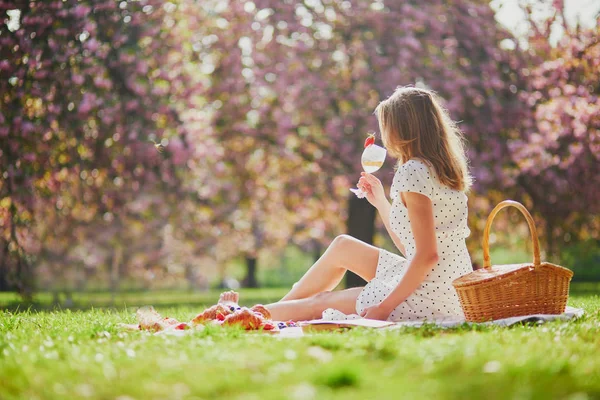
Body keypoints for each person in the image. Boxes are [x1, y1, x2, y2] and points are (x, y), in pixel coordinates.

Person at [226, 86, 474, 322]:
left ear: (403, 129)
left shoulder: (412, 172)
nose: (384, 135)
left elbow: (426, 255)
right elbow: (415, 247)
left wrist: (384, 308)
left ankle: (241, 317)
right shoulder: (443, 171)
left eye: (386, 126)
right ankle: (268, 312)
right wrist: (380, 202)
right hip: (449, 288)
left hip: (426, 295)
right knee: (343, 246)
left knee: (319, 303)